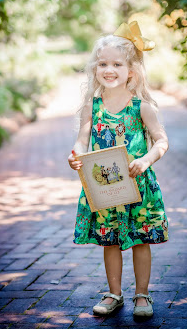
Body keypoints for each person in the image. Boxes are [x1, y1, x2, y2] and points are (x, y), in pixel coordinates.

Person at [68, 21, 169, 318]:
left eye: (116, 64)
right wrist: (75, 155)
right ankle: (114, 294)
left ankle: (142, 295)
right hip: (105, 185)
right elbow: (81, 141)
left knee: (140, 240)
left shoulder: (141, 108)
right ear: (95, 69)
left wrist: (147, 160)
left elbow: (162, 141)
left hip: (137, 186)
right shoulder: (92, 107)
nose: (108, 69)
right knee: (109, 240)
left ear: (131, 72)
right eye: (102, 64)